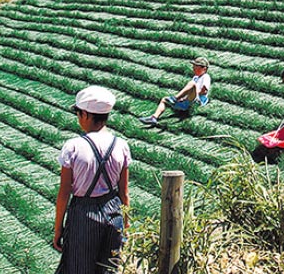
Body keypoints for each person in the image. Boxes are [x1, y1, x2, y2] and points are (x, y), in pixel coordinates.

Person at [54, 86, 131, 274]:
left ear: (86, 115)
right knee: (109, 269)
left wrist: (58, 229)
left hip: (83, 213)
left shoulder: (73, 147)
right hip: (113, 212)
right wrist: (126, 224)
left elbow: (64, 192)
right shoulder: (121, 145)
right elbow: (124, 193)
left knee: (77, 268)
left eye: (79, 113)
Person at [138, 57, 211, 127]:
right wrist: (184, 98)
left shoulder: (206, 76)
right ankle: (154, 117)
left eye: (196, 66)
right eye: (194, 66)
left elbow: (204, 91)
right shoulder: (195, 77)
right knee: (164, 100)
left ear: (204, 68)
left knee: (192, 84)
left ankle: (175, 98)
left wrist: (191, 94)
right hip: (188, 101)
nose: (193, 68)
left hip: (198, 102)